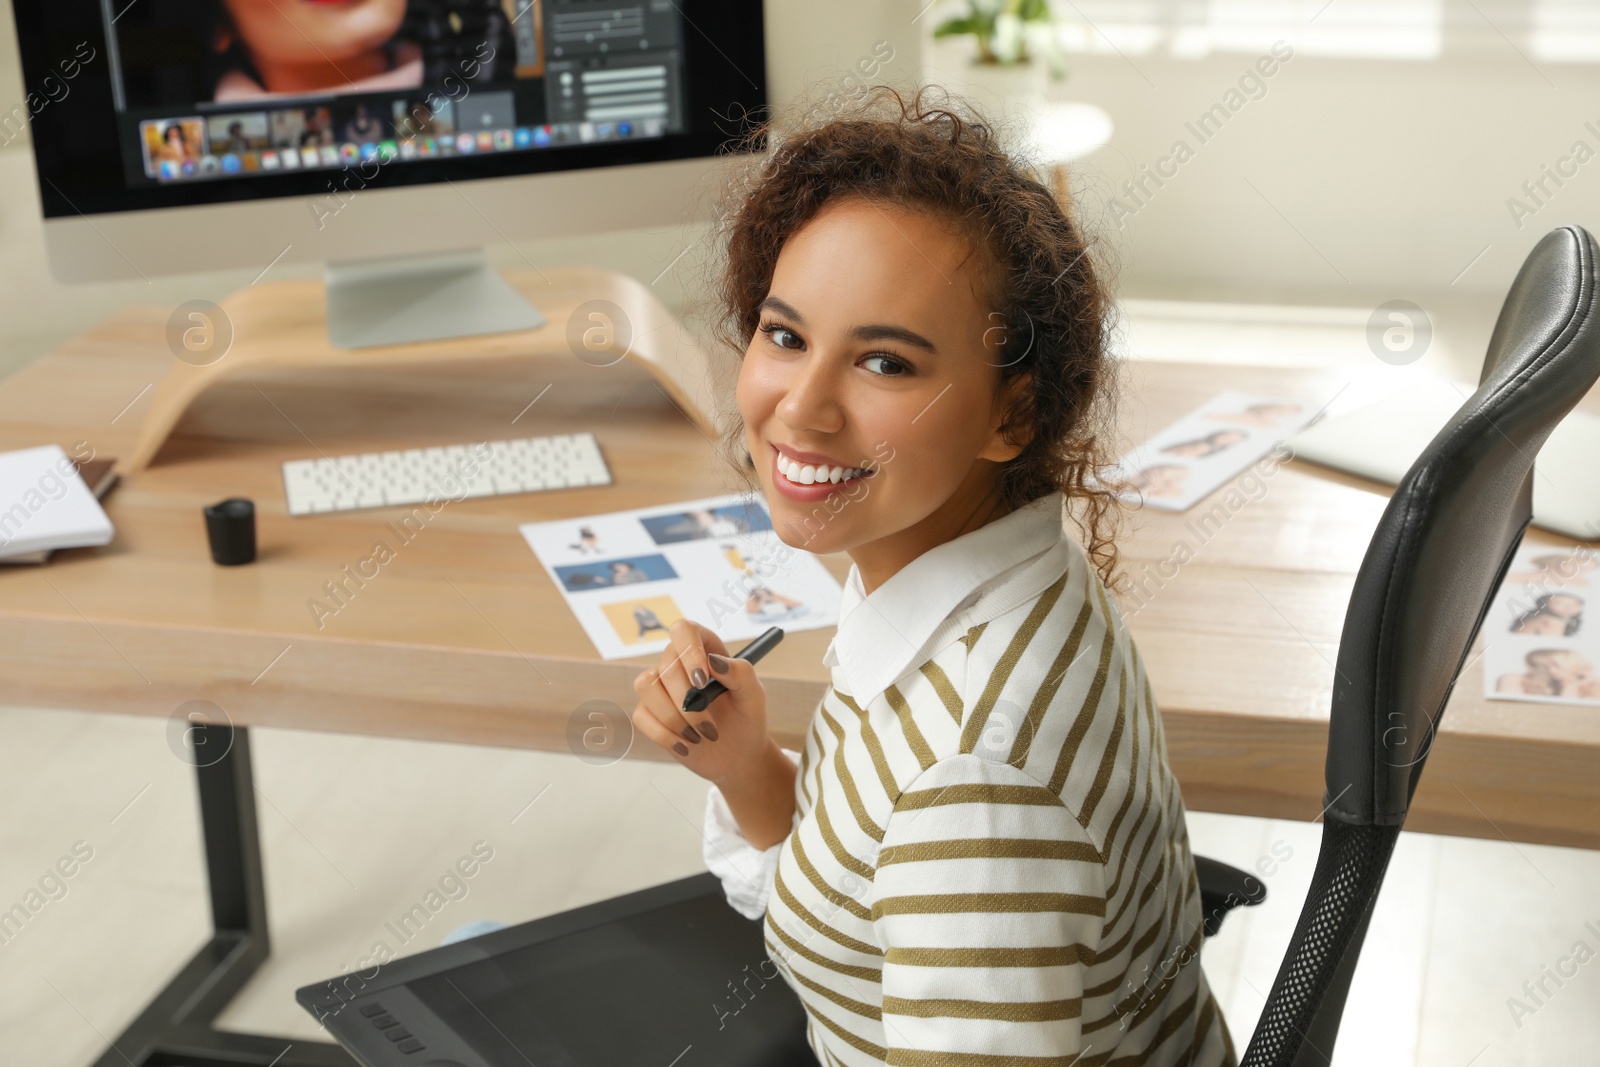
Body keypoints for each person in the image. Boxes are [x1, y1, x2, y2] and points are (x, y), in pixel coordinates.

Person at [628, 85, 1234, 1065]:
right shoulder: (980, 573)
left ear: (1011, 415)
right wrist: (747, 766)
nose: (803, 407)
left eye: (885, 363)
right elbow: (876, 884)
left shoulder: (975, 774)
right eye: (785, 336)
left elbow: (951, 821)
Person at [1497, 648, 1599, 698]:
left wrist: (1571, 686)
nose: (1551, 671)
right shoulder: (1515, 680)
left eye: (1556, 664)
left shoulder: (1593, 685)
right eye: (1542, 667)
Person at [1510, 592, 1584, 637]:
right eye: (1559, 603)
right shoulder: (1545, 619)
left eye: (1575, 604)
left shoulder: (1567, 621)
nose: (1569, 607)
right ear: (1545, 604)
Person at [1161, 428, 1249, 459]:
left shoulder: (1207, 449)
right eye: (1227, 437)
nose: (1226, 440)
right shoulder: (1202, 443)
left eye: (1231, 441)